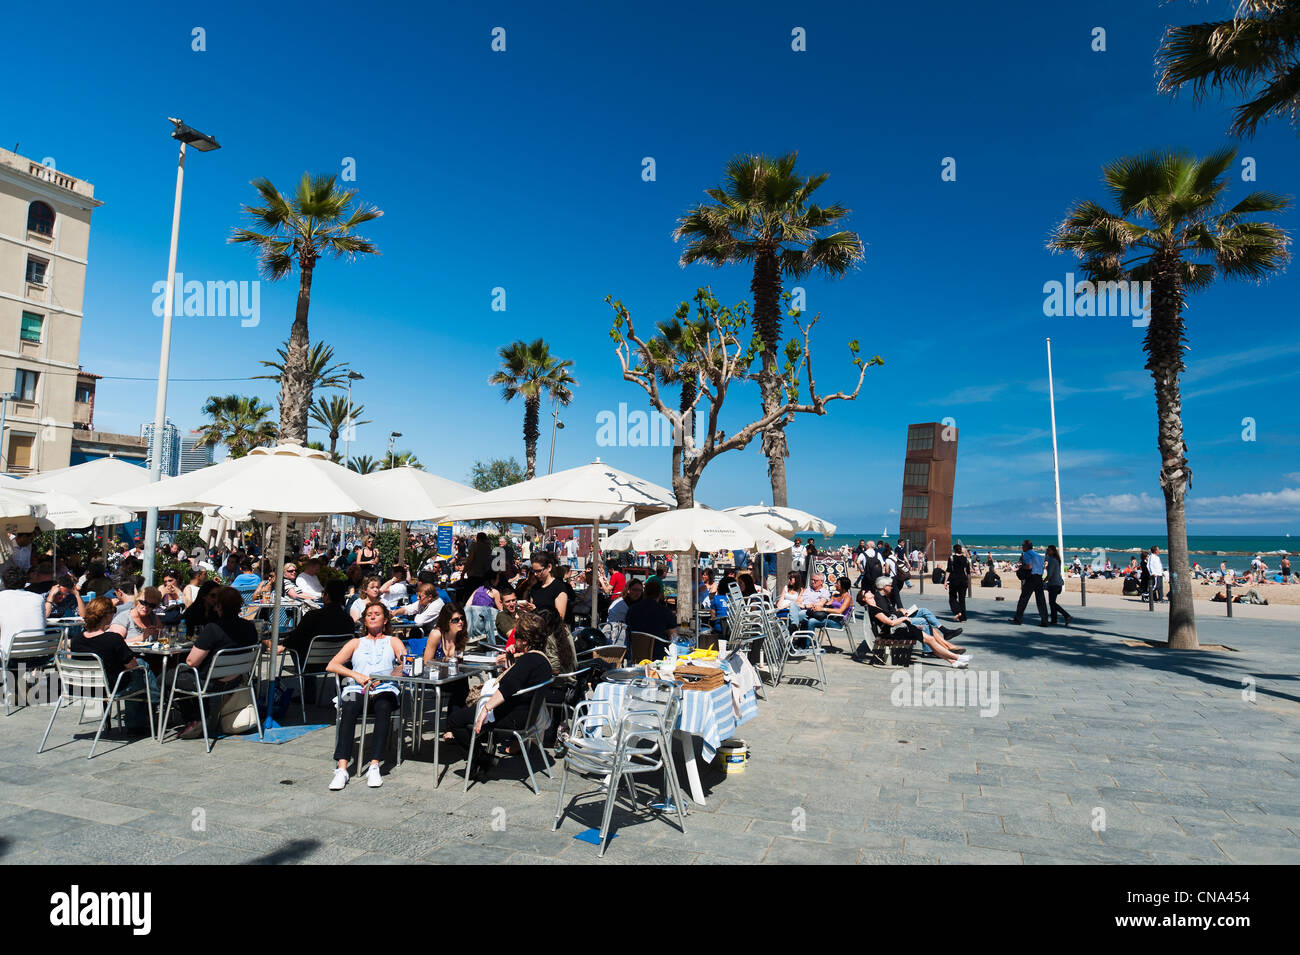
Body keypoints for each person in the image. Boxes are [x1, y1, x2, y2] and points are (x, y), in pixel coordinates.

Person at [446, 610, 554, 779]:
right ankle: (482, 757)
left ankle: (480, 758)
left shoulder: (527, 661)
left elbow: (507, 687)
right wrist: (512, 658)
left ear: (525, 640)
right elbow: (517, 679)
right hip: (528, 716)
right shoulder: (541, 660)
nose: (513, 639)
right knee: (466, 716)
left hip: (514, 717)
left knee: (455, 720)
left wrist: (485, 709)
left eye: (516, 635)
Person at [325, 602, 407, 790]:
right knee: (349, 707)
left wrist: (391, 674)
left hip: (384, 687)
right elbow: (332, 665)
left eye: (377, 614)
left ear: (385, 619)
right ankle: (342, 768)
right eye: (369, 614)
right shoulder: (356, 642)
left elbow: (406, 665)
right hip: (356, 688)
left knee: (384, 706)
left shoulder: (393, 641)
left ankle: (374, 765)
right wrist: (357, 675)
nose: (372, 616)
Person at [173, 586, 259, 740]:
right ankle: (202, 715)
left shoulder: (213, 629)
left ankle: (195, 718)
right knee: (187, 676)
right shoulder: (249, 627)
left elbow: (191, 661)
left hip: (211, 682)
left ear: (218, 606)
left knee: (166, 678)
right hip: (236, 680)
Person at [68, 596, 156, 733]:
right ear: (106, 615)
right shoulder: (113, 639)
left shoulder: (76, 640)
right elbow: (132, 666)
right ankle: (143, 718)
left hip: (82, 687)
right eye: (113, 611)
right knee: (141, 667)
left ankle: (147, 711)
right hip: (110, 687)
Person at [867, 576, 970, 667]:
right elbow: (891, 621)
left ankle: (952, 657)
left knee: (926, 620)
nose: (892, 587)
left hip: (901, 624)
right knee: (926, 626)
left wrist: (900, 611)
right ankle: (951, 655)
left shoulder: (881, 599)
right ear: (884, 587)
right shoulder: (877, 603)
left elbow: (890, 614)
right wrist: (902, 616)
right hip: (898, 627)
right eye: (890, 585)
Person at [281, 579, 356, 660]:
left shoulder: (312, 616)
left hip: (309, 664)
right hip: (336, 663)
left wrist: (284, 642)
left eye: (322, 593)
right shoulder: (348, 620)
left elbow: (293, 640)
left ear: (326, 596)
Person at [0, 565, 46, 657]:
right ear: (25, 583)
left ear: (3, 583)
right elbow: (44, 624)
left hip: (10, 657)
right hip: (38, 656)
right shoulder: (38, 598)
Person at [520, 553, 571, 626]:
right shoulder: (535, 587)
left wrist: (536, 610)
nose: (535, 574)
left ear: (549, 567)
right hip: (536, 629)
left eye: (538, 571)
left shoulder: (558, 587)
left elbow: (560, 618)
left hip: (552, 631)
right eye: (534, 571)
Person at [625, 578, 676, 644]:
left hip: (635, 650)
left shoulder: (632, 609)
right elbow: (673, 637)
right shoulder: (665, 611)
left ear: (645, 593)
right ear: (660, 595)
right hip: (659, 652)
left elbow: (628, 629)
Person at [1012, 540, 1049, 626]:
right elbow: (1042, 567)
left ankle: (1018, 618)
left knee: (1023, 598)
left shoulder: (1027, 554)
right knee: (1041, 600)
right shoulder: (1038, 555)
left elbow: (1029, 566)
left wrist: (1021, 568)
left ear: (1026, 547)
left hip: (1031, 578)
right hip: (1039, 578)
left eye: (1022, 546)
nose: (1022, 547)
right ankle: (1045, 620)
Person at [1044, 544, 1073, 626]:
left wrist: (1043, 581)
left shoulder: (1053, 560)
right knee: (1052, 602)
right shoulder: (1054, 559)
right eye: (1047, 549)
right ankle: (1054, 620)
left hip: (1054, 584)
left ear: (1053, 551)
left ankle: (1067, 616)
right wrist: (1046, 555)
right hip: (1056, 583)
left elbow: (1050, 574)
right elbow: (1046, 561)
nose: (1047, 551)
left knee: (1052, 603)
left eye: (1048, 550)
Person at [945, 544, 970, 621]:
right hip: (963, 580)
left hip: (954, 579)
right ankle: (963, 618)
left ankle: (958, 612)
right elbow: (967, 572)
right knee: (962, 599)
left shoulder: (951, 558)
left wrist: (945, 581)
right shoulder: (966, 559)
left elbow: (948, 570)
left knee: (952, 597)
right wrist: (968, 582)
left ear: (954, 550)